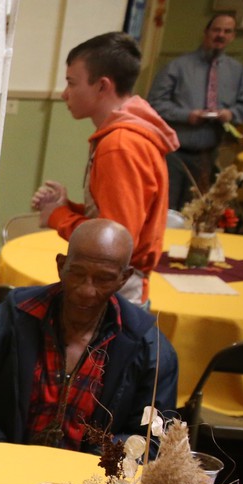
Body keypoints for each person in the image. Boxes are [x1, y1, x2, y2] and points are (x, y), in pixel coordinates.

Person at [0, 220, 178, 450]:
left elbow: (152, 439)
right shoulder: (9, 321)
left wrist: (95, 464)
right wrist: (4, 452)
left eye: (103, 279)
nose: (86, 290)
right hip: (2, 470)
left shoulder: (148, 348)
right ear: (61, 266)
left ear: (124, 278)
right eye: (77, 273)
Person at [31, 32, 178, 306]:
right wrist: (70, 207)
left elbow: (114, 243)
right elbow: (111, 218)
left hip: (114, 291)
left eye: (71, 83)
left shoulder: (121, 145)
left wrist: (58, 216)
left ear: (102, 86)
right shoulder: (122, 137)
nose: (65, 94)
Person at [149, 13, 243, 210]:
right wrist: (187, 115)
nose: (221, 35)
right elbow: (155, 103)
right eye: (216, 30)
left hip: (208, 156)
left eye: (227, 31)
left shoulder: (239, 72)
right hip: (173, 154)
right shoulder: (177, 67)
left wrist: (230, 114)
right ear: (206, 32)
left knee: (197, 211)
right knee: (166, 208)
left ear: (232, 36)